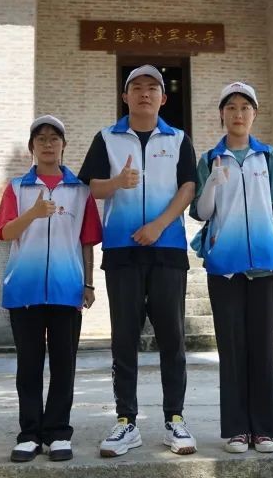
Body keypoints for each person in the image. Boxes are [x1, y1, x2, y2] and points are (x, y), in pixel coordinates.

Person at [77, 64, 198, 457]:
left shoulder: (179, 139)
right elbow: (89, 186)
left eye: (152, 87)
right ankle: (125, 421)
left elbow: (188, 187)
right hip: (122, 252)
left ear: (163, 97)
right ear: (125, 96)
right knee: (124, 339)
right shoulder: (106, 138)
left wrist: (159, 225)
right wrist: (117, 183)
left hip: (167, 251)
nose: (145, 93)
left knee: (172, 339)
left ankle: (175, 419)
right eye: (137, 87)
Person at [0, 115, 102, 463]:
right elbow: (5, 233)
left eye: (54, 138)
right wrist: (34, 213)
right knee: (29, 365)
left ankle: (57, 433)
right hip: (24, 289)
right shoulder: (17, 188)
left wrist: (88, 283)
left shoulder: (80, 190)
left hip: (66, 289)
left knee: (64, 365)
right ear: (32, 147)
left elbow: (87, 240)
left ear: (64, 145)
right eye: (41, 138)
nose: (48, 144)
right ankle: (29, 434)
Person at [190, 81, 273, 454]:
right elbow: (202, 213)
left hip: (266, 264)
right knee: (231, 349)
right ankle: (236, 430)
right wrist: (213, 184)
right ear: (222, 114)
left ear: (254, 114)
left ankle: (263, 430)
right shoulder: (210, 159)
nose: (238, 114)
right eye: (231, 107)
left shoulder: (268, 156)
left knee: (263, 349)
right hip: (225, 268)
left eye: (245, 107)